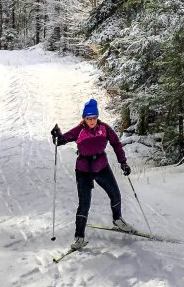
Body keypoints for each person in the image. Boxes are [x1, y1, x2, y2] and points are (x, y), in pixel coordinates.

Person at [51, 98, 133, 249]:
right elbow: (61, 141)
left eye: (94, 117)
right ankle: (79, 237)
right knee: (84, 203)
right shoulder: (79, 130)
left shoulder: (105, 129)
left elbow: (116, 144)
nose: (92, 121)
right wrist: (56, 135)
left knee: (115, 194)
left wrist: (123, 162)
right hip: (83, 170)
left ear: (97, 117)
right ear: (84, 118)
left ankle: (117, 219)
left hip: (102, 167)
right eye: (89, 118)